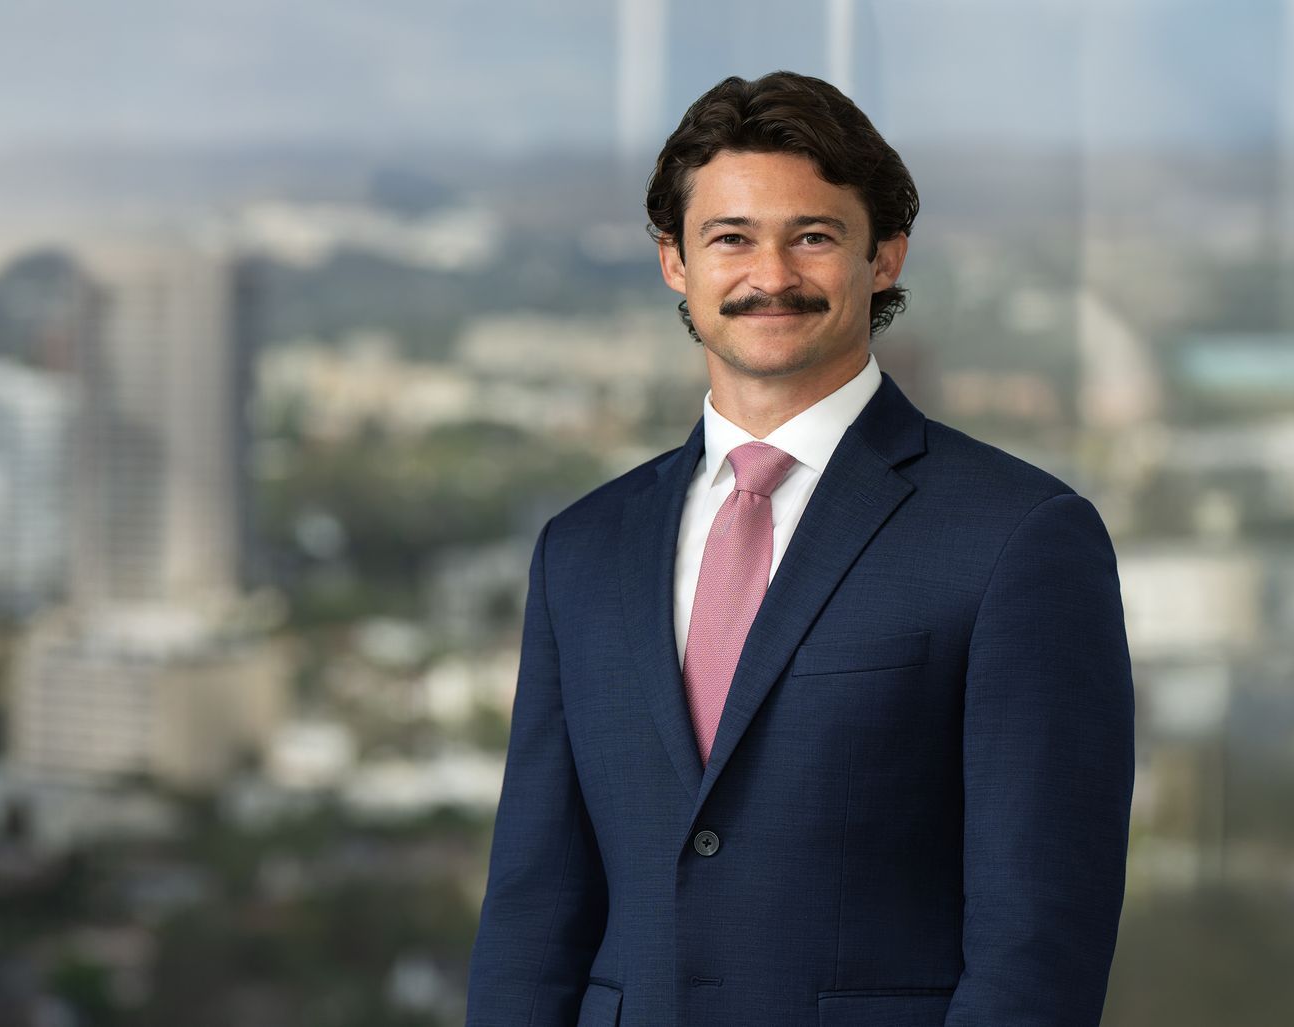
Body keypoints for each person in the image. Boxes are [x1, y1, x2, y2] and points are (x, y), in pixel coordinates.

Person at [466, 70, 1135, 1027]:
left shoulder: (1019, 538)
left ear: (885, 256)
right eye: (730, 238)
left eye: (813, 236)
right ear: (674, 261)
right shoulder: (581, 550)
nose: (770, 275)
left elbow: (1039, 942)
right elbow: (532, 915)